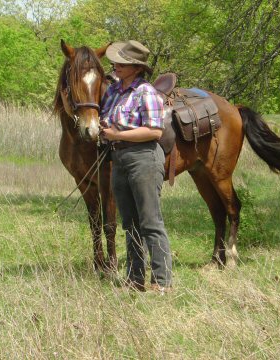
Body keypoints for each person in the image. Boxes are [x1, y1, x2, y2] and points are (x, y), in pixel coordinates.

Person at [100, 40, 172, 293]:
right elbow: (105, 119)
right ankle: (135, 278)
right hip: (119, 160)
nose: (115, 66)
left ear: (136, 68)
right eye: (116, 62)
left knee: (150, 221)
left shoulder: (146, 92)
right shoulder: (113, 91)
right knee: (129, 223)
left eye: (122, 63)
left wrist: (117, 135)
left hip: (144, 158)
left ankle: (162, 282)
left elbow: (154, 131)